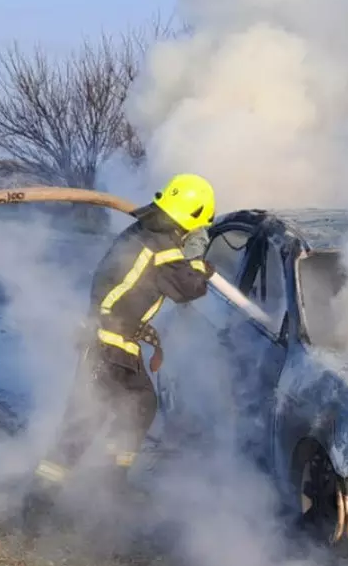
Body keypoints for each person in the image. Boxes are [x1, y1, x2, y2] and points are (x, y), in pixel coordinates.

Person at [23, 173, 217, 515]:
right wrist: (199, 259)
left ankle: (113, 482)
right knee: (84, 422)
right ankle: (37, 503)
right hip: (106, 342)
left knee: (141, 404)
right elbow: (189, 288)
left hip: (118, 341)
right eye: (199, 226)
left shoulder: (146, 232)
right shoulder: (163, 247)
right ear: (194, 218)